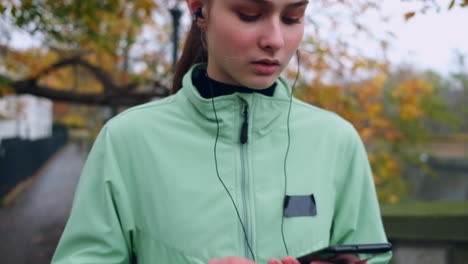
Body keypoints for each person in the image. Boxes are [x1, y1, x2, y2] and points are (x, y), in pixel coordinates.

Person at [51, 0, 392, 264]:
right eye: (249, 13)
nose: (275, 39)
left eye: (292, 18)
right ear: (200, 9)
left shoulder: (337, 141)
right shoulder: (126, 140)